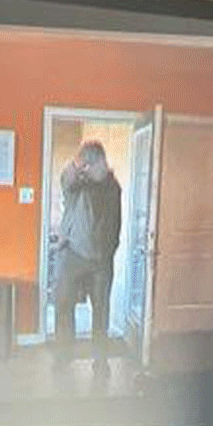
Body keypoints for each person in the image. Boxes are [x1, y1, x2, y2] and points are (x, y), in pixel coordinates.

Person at [53, 140, 123, 371]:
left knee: (101, 312)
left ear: (103, 161)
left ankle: (100, 360)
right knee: (64, 306)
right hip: (73, 255)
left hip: (102, 260)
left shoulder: (113, 188)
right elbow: (67, 179)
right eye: (89, 164)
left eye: (98, 162)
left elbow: (115, 223)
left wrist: (110, 251)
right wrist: (76, 163)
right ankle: (64, 357)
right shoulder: (77, 185)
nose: (96, 168)